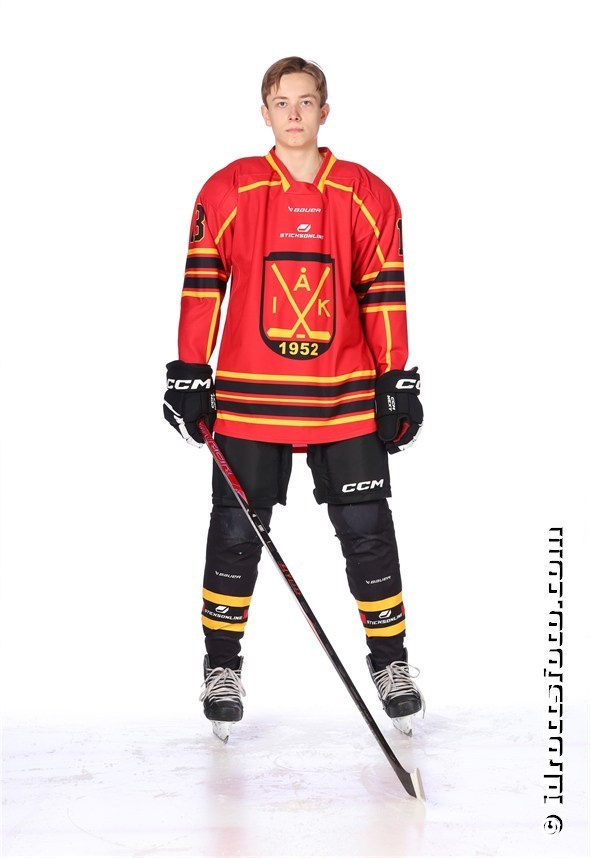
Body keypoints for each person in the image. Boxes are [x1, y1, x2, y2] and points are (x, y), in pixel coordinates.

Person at [163, 56, 425, 737]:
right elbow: (203, 284)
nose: (295, 114)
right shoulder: (228, 189)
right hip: (250, 396)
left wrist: (395, 378)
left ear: (324, 110)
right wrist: (190, 369)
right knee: (234, 533)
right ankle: (221, 668)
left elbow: (384, 291)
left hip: (345, 395)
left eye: (306, 101)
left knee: (368, 531)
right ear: (265, 112)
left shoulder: (367, 194)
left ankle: (391, 663)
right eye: (282, 102)